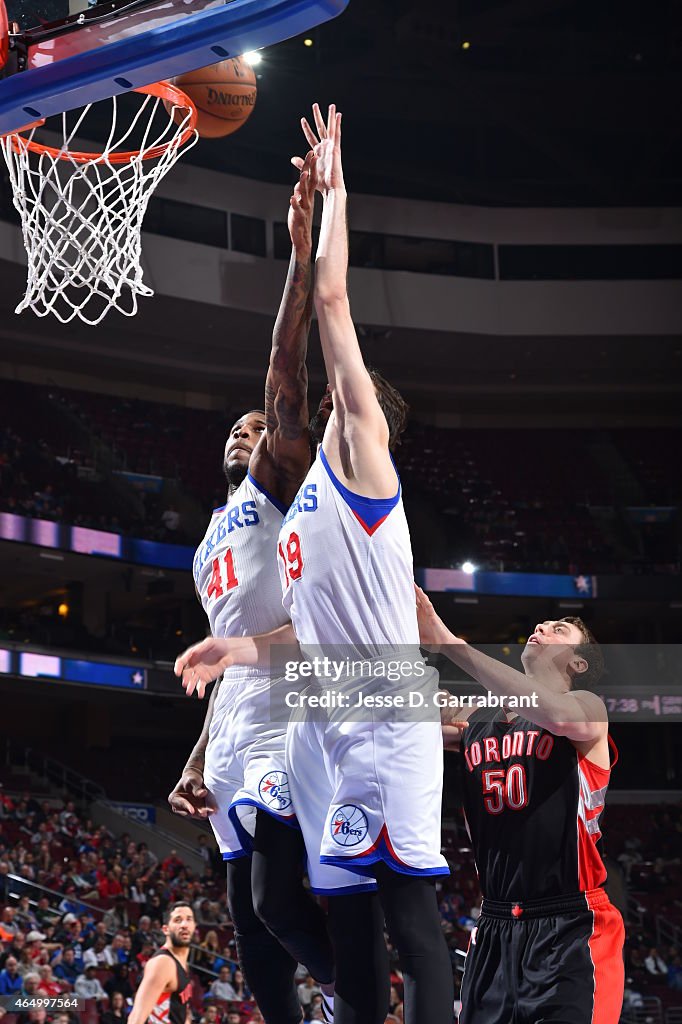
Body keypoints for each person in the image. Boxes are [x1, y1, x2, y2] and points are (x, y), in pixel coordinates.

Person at [175, 104, 455, 1024]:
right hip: (304, 699)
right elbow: (278, 633)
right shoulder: (258, 523)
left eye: (270, 426)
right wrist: (217, 697)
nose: (261, 428)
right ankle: (347, 1006)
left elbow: (301, 352)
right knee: (284, 909)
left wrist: (315, 230)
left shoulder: (338, 465)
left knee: (367, 910)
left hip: (359, 701)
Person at [168, 144, 345, 1024]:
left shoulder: (276, 480)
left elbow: (286, 365)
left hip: (292, 697)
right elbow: (224, 654)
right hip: (239, 710)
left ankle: (368, 998)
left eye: (259, 425)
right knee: (246, 924)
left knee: (278, 901)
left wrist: (300, 251)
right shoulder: (206, 542)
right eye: (237, 429)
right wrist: (199, 754)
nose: (250, 430)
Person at [414, 592, 626, 1024]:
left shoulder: (587, 710)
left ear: (578, 663)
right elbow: (393, 708)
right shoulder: (476, 719)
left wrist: (448, 642)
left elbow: (558, 716)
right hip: (494, 923)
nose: (544, 626)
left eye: (560, 629)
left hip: (570, 921)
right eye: (543, 623)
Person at [126, 902, 194, 1024]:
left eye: (189, 919)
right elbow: (136, 1017)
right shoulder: (163, 963)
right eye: (178, 920)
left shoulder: (183, 964)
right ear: (165, 929)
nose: (184, 925)